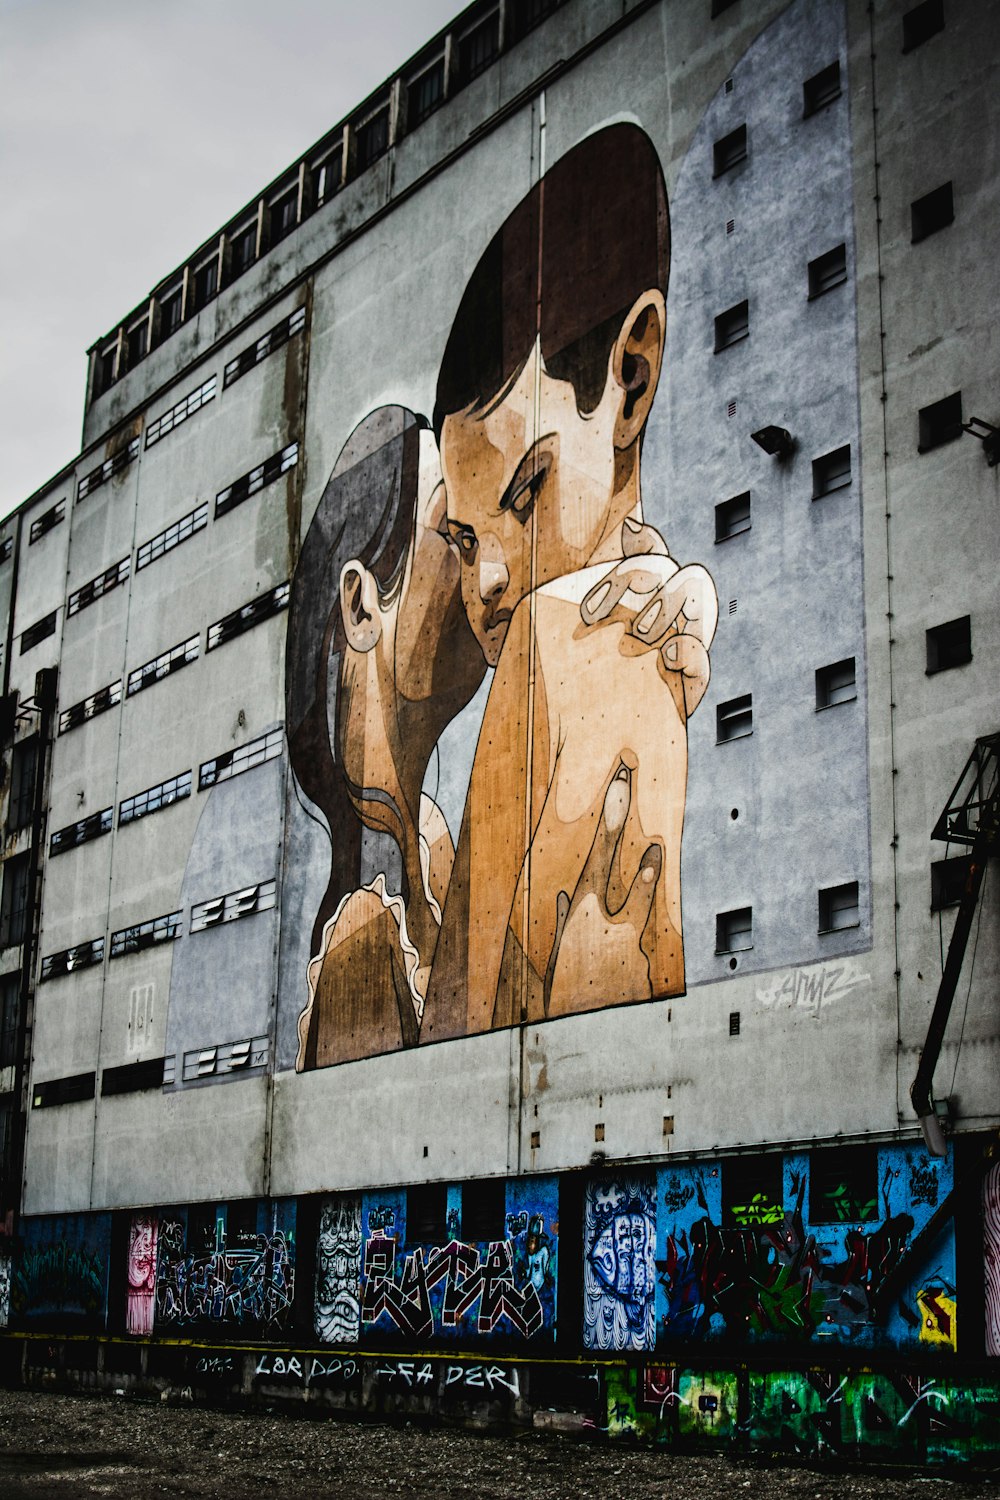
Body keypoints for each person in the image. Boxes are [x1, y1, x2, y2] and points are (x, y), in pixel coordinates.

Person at [420, 124, 717, 1040]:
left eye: (529, 491)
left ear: (631, 376)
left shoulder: (609, 654)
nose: (492, 577)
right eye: (465, 544)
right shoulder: (559, 665)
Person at [287, 407, 485, 1068]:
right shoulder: (362, 938)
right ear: (362, 606)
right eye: (454, 531)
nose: (486, 556)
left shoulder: (430, 854)